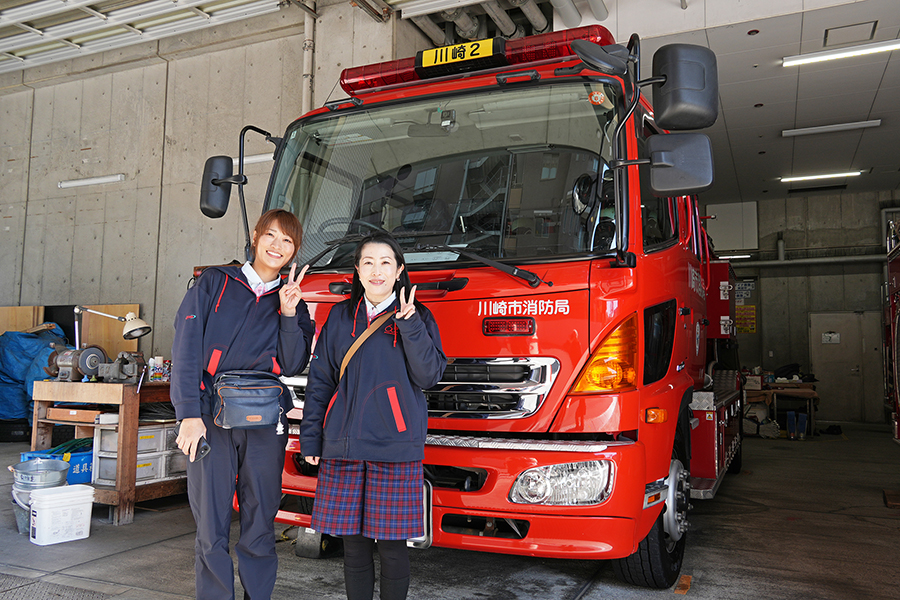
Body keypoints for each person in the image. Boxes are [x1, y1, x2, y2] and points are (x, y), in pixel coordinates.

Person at [171, 208, 315, 600]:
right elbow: (185, 348)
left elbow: (292, 363)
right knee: (211, 524)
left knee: (260, 521)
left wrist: (289, 313)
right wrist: (188, 414)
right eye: (271, 235)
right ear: (255, 236)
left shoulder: (293, 301)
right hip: (209, 417)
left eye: (287, 241)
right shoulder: (215, 282)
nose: (277, 245)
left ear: (294, 251)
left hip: (266, 422)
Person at [300, 231, 446, 600]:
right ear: (357, 270)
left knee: (393, 548)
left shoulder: (418, 316)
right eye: (368, 262)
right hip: (344, 446)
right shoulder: (340, 316)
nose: (376, 271)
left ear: (399, 270)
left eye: (385, 263)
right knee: (354, 547)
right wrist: (311, 437)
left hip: (395, 447)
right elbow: (320, 381)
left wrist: (410, 325)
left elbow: (429, 376)